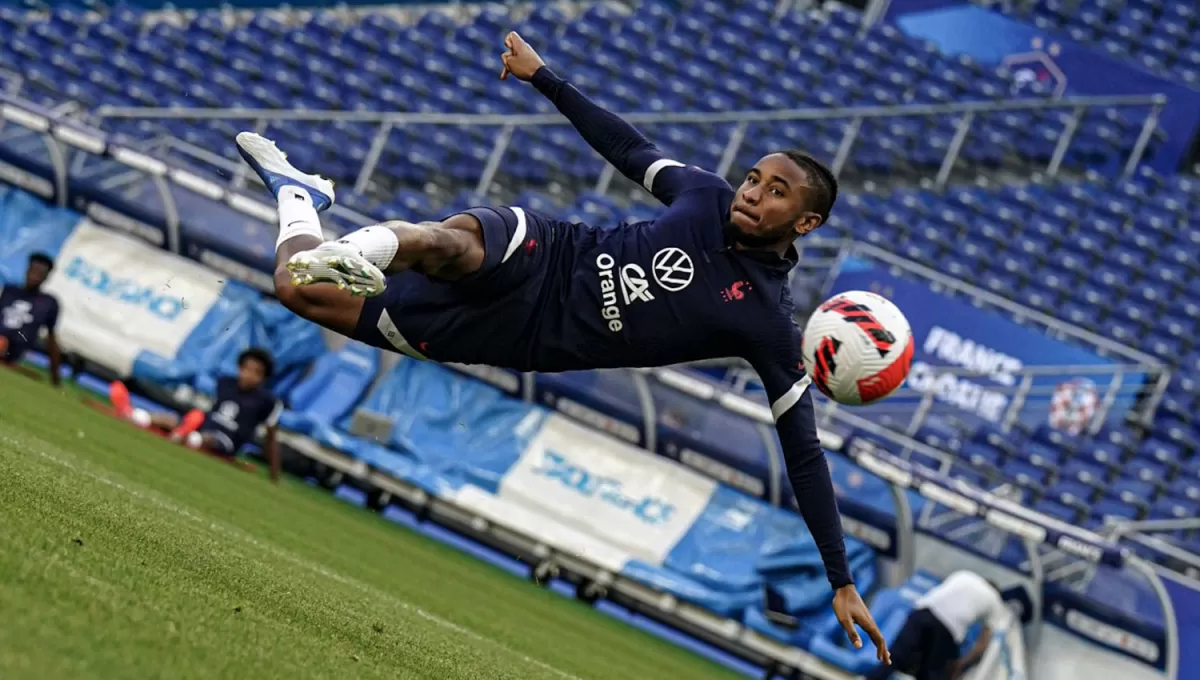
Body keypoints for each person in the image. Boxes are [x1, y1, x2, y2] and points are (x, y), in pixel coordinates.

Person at [234, 32, 890, 661]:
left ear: (806, 223)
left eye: (777, 192)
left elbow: (804, 454)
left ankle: (302, 196)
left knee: (296, 289)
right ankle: (356, 250)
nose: (752, 193)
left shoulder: (769, 325)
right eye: (754, 177)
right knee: (447, 244)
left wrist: (841, 580)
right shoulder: (703, 197)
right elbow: (628, 147)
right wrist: (544, 78)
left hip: (516, 336)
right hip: (546, 256)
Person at [108, 348, 283, 482]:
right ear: (239, 368)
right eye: (246, 369)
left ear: (264, 378)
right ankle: (134, 414)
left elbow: (271, 436)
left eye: (256, 372)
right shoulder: (225, 383)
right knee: (172, 419)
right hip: (204, 423)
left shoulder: (267, 402)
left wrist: (274, 472)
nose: (249, 375)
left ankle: (185, 435)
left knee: (209, 438)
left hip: (228, 440)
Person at [864, 571, 1009, 680]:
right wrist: (963, 662)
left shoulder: (964, 574)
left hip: (922, 611)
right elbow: (982, 644)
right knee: (932, 673)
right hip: (948, 628)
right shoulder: (996, 601)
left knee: (894, 657)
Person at [0, 252, 63, 385]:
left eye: (39, 273)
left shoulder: (48, 303)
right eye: (33, 271)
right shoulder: (9, 290)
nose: (34, 276)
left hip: (11, 349)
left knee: (2, 343)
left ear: (46, 277)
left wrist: (55, 376)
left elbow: (51, 339)